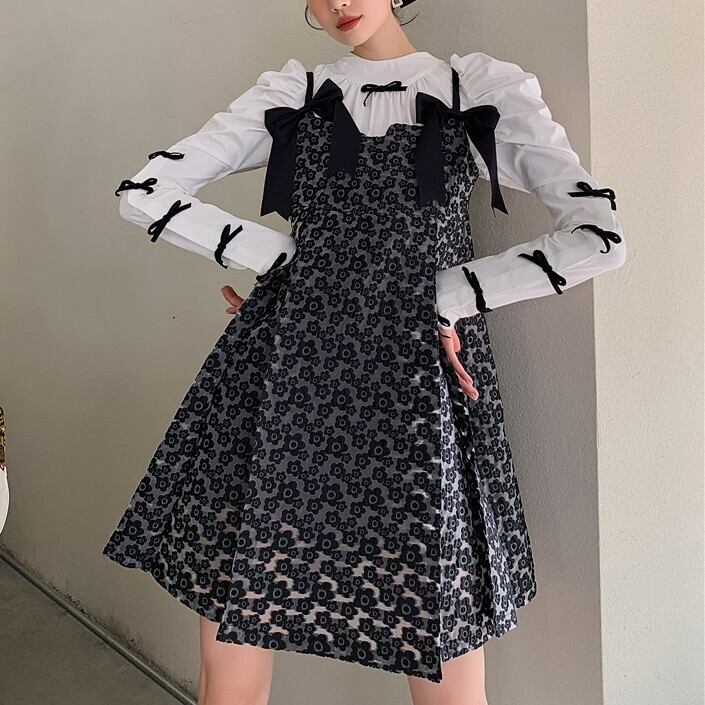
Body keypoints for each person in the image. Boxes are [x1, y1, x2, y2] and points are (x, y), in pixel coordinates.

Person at [103, 1, 627, 703]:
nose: (338, 3)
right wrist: (279, 258)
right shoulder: (294, 94)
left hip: (415, 387)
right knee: (234, 642)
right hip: (284, 376)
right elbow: (145, 192)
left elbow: (598, 236)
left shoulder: (476, 90)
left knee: (441, 642)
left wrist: (452, 293)